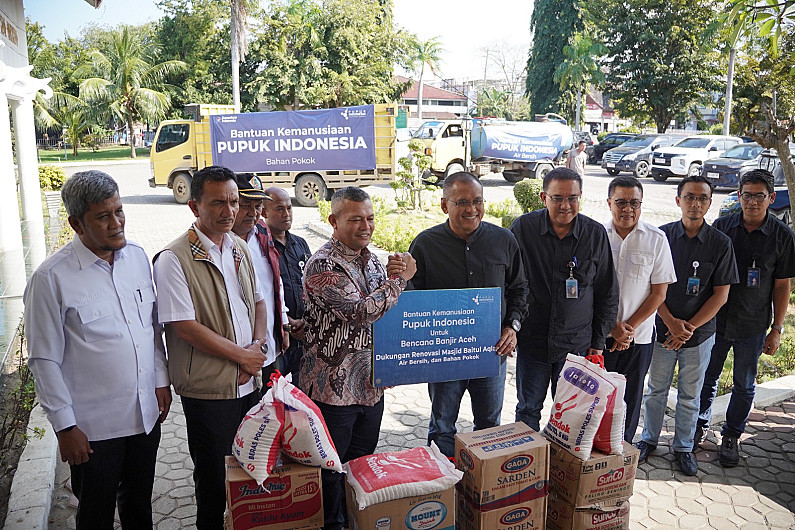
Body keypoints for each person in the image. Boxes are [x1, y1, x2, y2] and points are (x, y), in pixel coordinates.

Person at [24, 170, 171, 529]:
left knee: (139, 506)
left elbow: (150, 330)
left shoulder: (137, 257)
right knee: (95, 514)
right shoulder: (51, 279)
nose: (116, 223)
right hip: (93, 431)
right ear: (76, 223)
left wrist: (160, 380)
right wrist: (65, 427)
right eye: (103, 216)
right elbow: (43, 360)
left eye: (119, 211)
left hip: (144, 416)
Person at [153, 166, 268, 530]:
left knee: (250, 473)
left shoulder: (238, 247)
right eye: (218, 203)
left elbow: (259, 303)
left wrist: (258, 347)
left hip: (249, 382)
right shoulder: (173, 258)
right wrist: (244, 357)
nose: (229, 211)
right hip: (209, 389)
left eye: (233, 202)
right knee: (214, 480)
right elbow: (184, 327)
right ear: (194, 206)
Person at [299, 187, 416, 530]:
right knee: (331, 469)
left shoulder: (372, 260)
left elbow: (386, 315)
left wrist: (388, 363)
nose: (366, 226)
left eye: (370, 218)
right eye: (355, 219)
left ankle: (355, 520)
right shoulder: (323, 264)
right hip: (333, 391)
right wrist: (399, 280)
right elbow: (360, 312)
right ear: (333, 221)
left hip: (370, 387)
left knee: (361, 465)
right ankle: (331, 524)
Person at [408, 172, 528, 458]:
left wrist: (512, 327)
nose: (472, 209)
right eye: (462, 202)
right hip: (445, 356)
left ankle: (481, 482)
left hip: (491, 353)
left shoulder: (503, 240)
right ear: (444, 205)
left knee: (489, 426)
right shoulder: (425, 244)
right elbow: (411, 299)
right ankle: (443, 479)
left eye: (478, 201)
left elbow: (519, 289)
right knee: (442, 427)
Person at [637, 174, 738, 476]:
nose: (695, 203)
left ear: (709, 203)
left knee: (691, 395)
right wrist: (671, 323)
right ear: (678, 200)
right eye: (689, 197)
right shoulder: (662, 237)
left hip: (699, 335)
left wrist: (687, 329)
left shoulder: (721, 243)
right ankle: (648, 439)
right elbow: (650, 286)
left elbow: (721, 295)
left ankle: (683, 447)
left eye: (702, 198)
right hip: (661, 329)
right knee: (655, 389)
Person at [697, 169, 795, 466]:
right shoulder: (722, 227)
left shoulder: (782, 236)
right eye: (747, 195)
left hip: (752, 323)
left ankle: (731, 435)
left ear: (771, 198)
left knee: (744, 384)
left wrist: (777, 329)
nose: (752, 201)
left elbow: (782, 286)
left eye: (759, 196)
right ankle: (698, 426)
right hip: (716, 319)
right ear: (738, 196)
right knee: (707, 377)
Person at [510, 167, 619, 431]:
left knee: (571, 416)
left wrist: (598, 343)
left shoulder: (594, 234)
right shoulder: (523, 229)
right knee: (527, 410)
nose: (565, 205)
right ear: (543, 197)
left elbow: (607, 292)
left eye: (572, 198)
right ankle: (528, 458)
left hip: (576, 347)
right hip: (533, 342)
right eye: (557, 198)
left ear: (580, 197)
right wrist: (509, 326)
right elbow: (509, 283)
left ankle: (560, 459)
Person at [603, 176, 676, 443]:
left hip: (639, 338)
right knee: (597, 399)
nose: (628, 209)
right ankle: (593, 456)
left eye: (634, 203)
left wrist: (627, 329)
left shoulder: (656, 239)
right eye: (621, 202)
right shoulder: (597, 236)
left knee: (631, 400)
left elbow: (659, 293)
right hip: (601, 336)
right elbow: (591, 289)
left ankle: (622, 453)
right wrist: (613, 327)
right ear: (609, 203)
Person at [231, 174, 289, 386]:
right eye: (245, 205)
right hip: (237, 351)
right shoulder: (221, 243)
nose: (252, 213)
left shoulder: (263, 233)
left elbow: (275, 281)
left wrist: (284, 324)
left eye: (257, 206)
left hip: (268, 345)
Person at [264, 186, 312, 387]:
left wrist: (306, 322)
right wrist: (287, 322)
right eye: (279, 209)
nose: (286, 214)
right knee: (273, 393)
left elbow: (312, 286)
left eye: (289, 208)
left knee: (301, 395)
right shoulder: (261, 247)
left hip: (304, 336)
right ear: (264, 212)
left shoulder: (300, 244)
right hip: (278, 337)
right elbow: (263, 294)